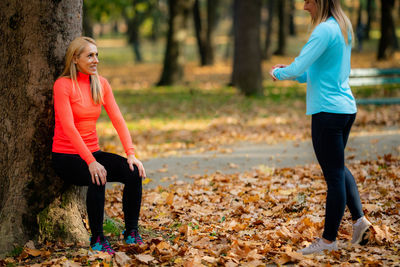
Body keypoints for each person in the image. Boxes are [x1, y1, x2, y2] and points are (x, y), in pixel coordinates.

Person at [269, 0, 372, 255]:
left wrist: (279, 73)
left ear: (320, 1)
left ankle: (328, 241)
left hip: (327, 112)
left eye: (308, 2)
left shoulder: (324, 30)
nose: (305, 7)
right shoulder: (341, 26)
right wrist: (292, 72)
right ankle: (360, 222)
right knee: (337, 168)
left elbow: (300, 67)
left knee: (334, 176)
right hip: (345, 109)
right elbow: (314, 71)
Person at [52, 36, 146, 255]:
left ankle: (131, 231)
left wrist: (131, 154)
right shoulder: (63, 85)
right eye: (90, 55)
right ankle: (97, 239)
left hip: (92, 153)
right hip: (66, 156)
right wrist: (91, 162)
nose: (95, 60)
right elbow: (68, 127)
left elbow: (118, 120)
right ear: (75, 59)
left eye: (97, 55)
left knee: (133, 172)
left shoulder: (100, 83)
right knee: (97, 175)